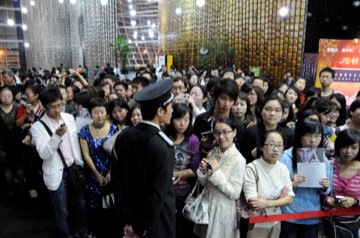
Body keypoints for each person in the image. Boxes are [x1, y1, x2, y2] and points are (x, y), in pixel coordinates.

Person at [111, 80, 176, 238]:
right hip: (156, 223)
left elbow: (117, 180)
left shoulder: (124, 136)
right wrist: (140, 228)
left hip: (129, 217)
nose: (173, 111)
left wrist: (128, 222)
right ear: (160, 111)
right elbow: (157, 195)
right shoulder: (162, 145)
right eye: (171, 107)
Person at [30, 87, 91, 238]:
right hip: (56, 173)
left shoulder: (68, 117)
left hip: (74, 168)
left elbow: (75, 143)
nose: (57, 109)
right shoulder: (37, 127)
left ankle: (81, 232)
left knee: (81, 205)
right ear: (44, 106)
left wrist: (80, 162)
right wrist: (56, 136)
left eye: (60, 105)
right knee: (61, 211)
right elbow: (44, 154)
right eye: (53, 106)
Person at [195, 117, 246, 238]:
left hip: (223, 210)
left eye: (225, 132)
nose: (221, 137)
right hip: (206, 207)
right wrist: (202, 171)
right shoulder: (212, 152)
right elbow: (203, 183)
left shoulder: (239, 160)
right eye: (217, 133)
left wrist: (217, 173)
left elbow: (235, 193)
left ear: (234, 132)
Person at [279, 119, 330, 238]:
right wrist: (292, 183)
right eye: (307, 135)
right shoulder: (286, 157)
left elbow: (326, 191)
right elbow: (275, 187)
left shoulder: (324, 160)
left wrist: (325, 187)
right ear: (299, 135)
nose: (313, 140)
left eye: (317, 136)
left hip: (312, 215)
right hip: (289, 215)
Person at [79, 97, 118, 238]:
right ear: (90, 114)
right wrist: (96, 173)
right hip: (93, 174)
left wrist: (111, 172)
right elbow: (85, 154)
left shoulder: (114, 129)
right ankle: (96, 232)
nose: (99, 115)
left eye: (102, 112)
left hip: (112, 172)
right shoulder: (84, 130)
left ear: (107, 113)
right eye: (96, 112)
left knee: (112, 205)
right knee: (94, 206)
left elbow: (118, 154)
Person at [243, 130, 294, 238]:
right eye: (271, 144)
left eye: (279, 145)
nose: (275, 149)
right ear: (261, 147)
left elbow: (290, 198)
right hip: (257, 223)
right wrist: (279, 200)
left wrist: (266, 203)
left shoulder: (282, 168)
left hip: (276, 220)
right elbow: (253, 202)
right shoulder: (252, 168)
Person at [164, 103, 201, 238]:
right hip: (164, 190)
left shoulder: (192, 140)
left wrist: (172, 174)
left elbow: (194, 169)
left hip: (183, 192)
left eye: (186, 119)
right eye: (179, 119)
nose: (182, 124)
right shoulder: (164, 137)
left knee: (181, 228)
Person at [323, 129, 360, 238]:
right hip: (328, 222)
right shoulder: (329, 165)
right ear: (338, 145)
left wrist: (355, 201)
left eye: (354, 148)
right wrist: (326, 198)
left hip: (353, 223)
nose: (348, 151)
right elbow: (321, 191)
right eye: (344, 146)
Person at [0, 86, 23, 196]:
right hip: (2, 143)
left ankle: (21, 186)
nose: (6, 98)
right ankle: (10, 189)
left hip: (17, 141)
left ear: (12, 97)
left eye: (8, 95)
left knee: (19, 165)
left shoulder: (18, 108)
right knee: (6, 167)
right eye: (3, 96)